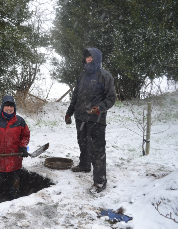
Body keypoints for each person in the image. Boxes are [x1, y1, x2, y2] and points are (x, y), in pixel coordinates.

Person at [65, 48, 116, 193]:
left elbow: (111, 98)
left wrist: (99, 108)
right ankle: (84, 165)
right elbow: (75, 96)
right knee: (83, 143)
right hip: (80, 117)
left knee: (97, 149)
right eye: (87, 57)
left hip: (96, 119)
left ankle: (100, 181)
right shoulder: (81, 76)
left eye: (91, 57)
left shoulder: (105, 76)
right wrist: (69, 112)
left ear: (97, 58)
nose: (88, 59)